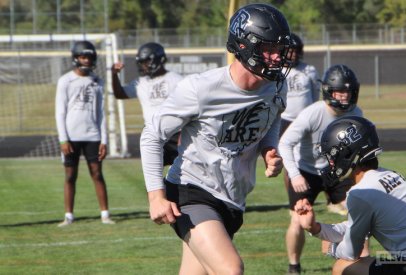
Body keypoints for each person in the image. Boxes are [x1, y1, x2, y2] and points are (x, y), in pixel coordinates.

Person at [139, 3, 291, 274]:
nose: (278, 58)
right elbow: (151, 135)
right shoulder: (201, 88)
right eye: (270, 49)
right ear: (245, 47)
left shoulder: (278, 84)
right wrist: (156, 198)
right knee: (230, 269)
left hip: (233, 198)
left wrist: (269, 147)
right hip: (192, 190)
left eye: (280, 50)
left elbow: (273, 114)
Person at [295, 116, 406, 275]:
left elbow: (351, 251)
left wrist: (332, 249)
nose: (331, 163)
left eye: (332, 156)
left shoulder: (360, 193)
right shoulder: (391, 175)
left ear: (347, 153)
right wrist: (316, 228)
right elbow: (354, 226)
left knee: (343, 266)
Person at [279, 64, 362, 274]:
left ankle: (361, 260)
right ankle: (293, 265)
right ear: (328, 91)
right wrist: (295, 175)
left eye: (348, 92)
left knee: (359, 213)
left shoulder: (356, 113)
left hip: (337, 172)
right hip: (307, 171)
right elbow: (284, 143)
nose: (344, 97)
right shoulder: (313, 113)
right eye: (339, 92)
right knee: (298, 219)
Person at [55, 41, 115, 227]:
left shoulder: (97, 81)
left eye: (89, 57)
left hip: (93, 136)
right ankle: (69, 215)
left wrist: (104, 140)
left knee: (97, 174)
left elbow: (100, 113)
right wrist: (63, 139)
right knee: (70, 175)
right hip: (71, 136)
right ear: (75, 58)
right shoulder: (65, 80)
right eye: (83, 57)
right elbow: (60, 111)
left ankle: (105, 214)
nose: (86, 60)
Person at [111, 42, 183, 165]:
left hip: (174, 134)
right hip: (152, 134)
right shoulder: (140, 82)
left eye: (146, 62)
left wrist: (182, 135)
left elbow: (187, 111)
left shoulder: (176, 80)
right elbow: (120, 94)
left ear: (158, 60)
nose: (144, 66)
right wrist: (114, 75)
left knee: (181, 173)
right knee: (153, 176)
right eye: (142, 63)